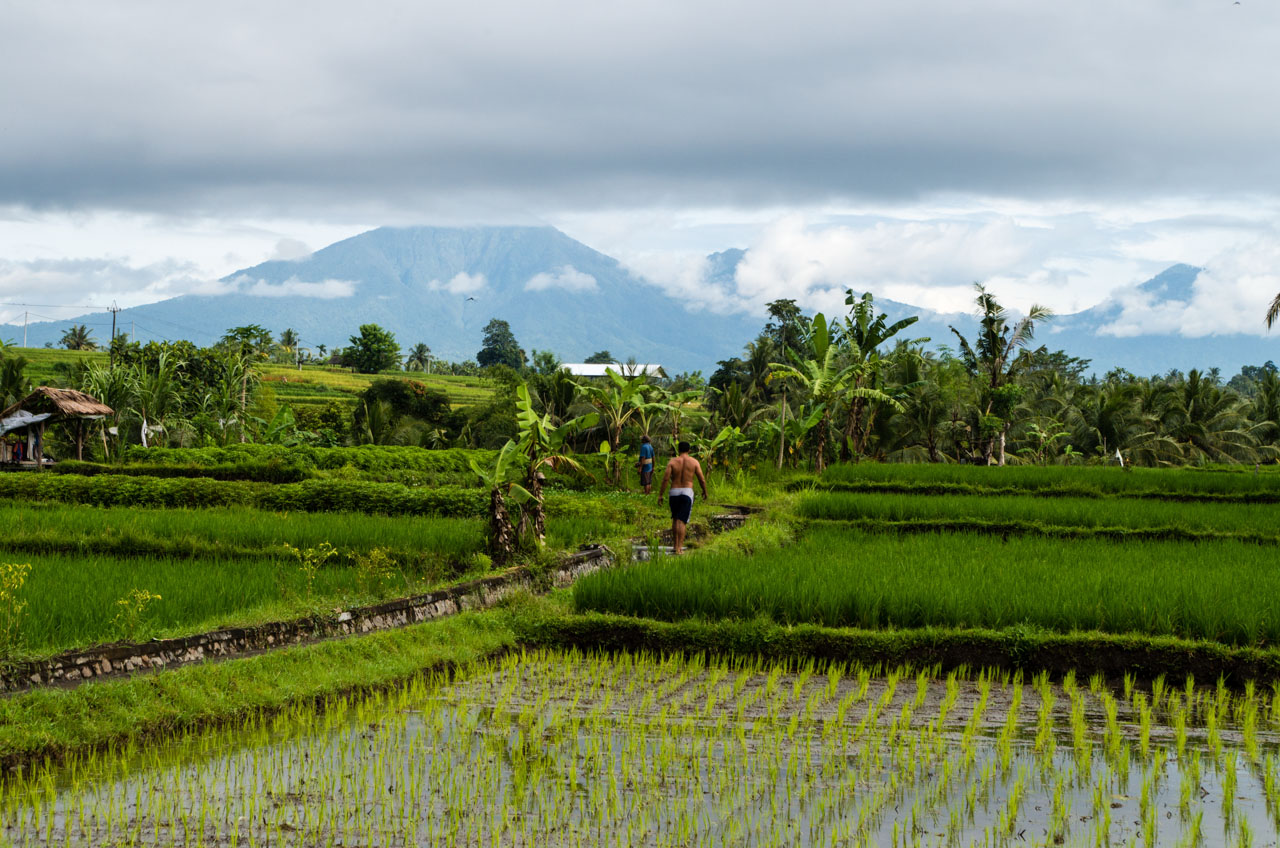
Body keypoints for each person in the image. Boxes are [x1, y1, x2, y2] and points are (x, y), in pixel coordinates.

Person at [657, 440, 709, 555]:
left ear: (678, 450)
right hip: (687, 491)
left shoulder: (672, 462)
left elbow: (665, 479)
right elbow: (701, 479)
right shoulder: (694, 462)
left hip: (674, 492)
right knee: (682, 521)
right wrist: (705, 491)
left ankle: (675, 546)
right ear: (689, 450)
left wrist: (660, 495)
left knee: (675, 519)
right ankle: (680, 548)